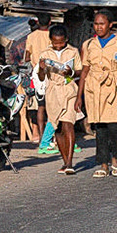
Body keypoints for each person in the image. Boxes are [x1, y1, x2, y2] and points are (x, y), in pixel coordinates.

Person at [80, 9, 117, 177]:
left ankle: (115, 160)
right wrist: (79, 96)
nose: (99, 27)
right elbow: (84, 70)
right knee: (100, 128)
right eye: (96, 24)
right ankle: (103, 164)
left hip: (115, 89)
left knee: (114, 126)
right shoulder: (88, 45)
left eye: (102, 24)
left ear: (110, 25)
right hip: (94, 90)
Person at [38, 22, 82, 174]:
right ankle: (64, 161)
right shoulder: (45, 53)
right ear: (51, 41)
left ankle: (69, 162)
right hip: (53, 93)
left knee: (68, 124)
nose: (58, 46)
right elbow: (41, 77)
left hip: (69, 90)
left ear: (66, 39)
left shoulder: (73, 51)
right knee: (57, 127)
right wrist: (42, 69)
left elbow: (80, 71)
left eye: (61, 42)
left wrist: (71, 73)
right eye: (55, 43)